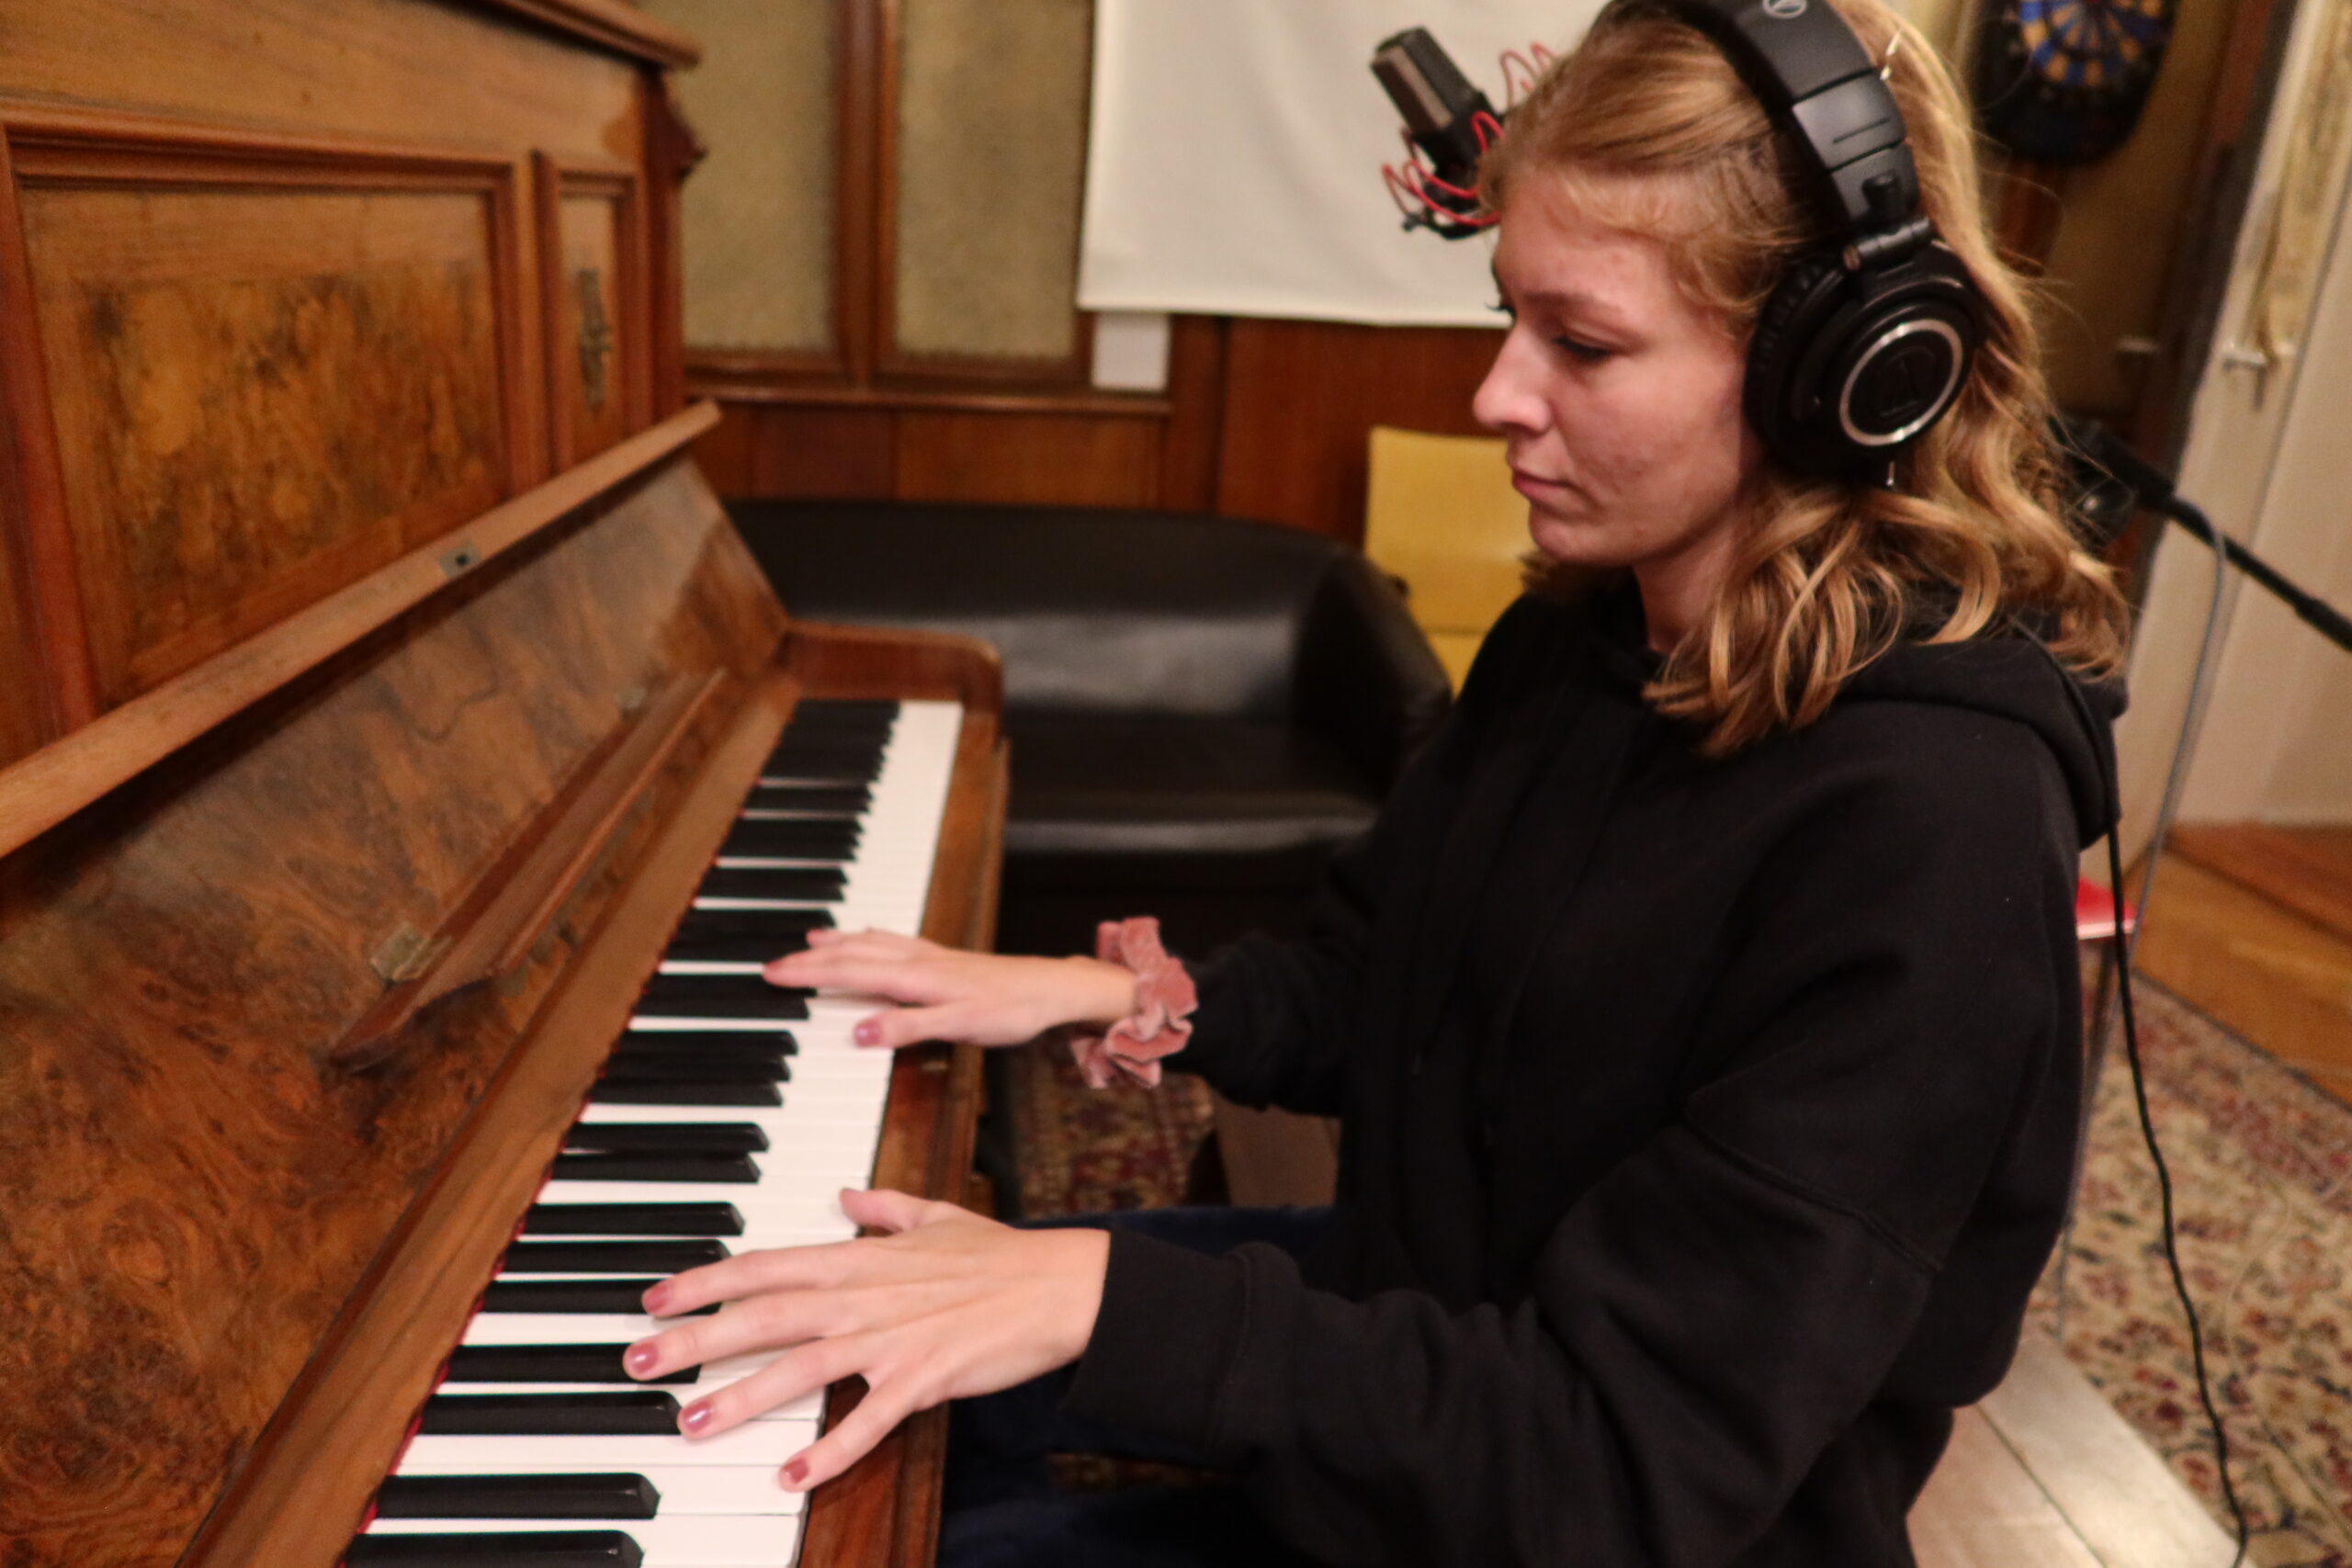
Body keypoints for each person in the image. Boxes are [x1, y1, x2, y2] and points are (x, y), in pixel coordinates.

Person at [622, 0, 2131, 1561]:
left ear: (1848, 371)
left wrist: (1098, 1299)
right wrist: (1102, 993)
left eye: (1584, 343)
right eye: (1508, 316)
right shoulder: (1580, 643)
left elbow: (1616, 1461)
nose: (1495, 395)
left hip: (1567, 1490)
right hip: (1426, 1320)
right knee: (829, 1348)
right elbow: (1386, 976)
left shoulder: (1933, 828)